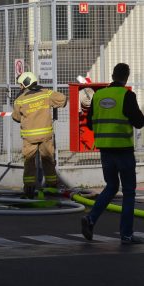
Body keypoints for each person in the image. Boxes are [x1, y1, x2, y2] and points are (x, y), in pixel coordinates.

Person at [81, 63, 144, 244]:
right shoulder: (127, 95)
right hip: (123, 150)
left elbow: (90, 124)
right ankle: (126, 234)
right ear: (126, 77)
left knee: (111, 186)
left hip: (105, 151)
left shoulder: (99, 95)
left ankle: (91, 218)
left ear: (113, 75)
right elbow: (139, 122)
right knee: (129, 192)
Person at [12, 72, 67, 198]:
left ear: (26, 83)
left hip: (29, 137)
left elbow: (16, 117)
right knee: (48, 160)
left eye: (21, 84)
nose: (20, 87)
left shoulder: (20, 99)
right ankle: (52, 187)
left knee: (29, 162)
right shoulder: (46, 93)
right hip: (46, 135)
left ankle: (29, 189)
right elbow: (63, 99)